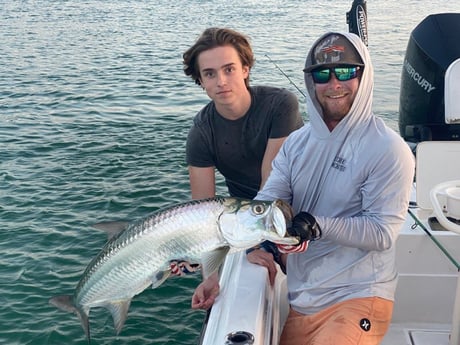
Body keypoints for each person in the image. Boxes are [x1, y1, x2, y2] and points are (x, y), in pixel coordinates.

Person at [246, 32, 415, 345]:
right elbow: (269, 201)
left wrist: (315, 225)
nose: (334, 84)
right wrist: (258, 243)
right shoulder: (296, 143)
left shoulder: (389, 149)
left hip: (359, 296)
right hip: (302, 300)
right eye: (322, 74)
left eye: (347, 72)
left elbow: (382, 232)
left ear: (364, 76)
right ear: (311, 82)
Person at [181, 27, 304, 309]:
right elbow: (203, 213)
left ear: (245, 69)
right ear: (200, 80)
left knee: (298, 266)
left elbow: (271, 185)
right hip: (249, 218)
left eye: (229, 69)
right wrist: (210, 276)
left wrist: (256, 246)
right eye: (210, 73)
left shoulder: (280, 105)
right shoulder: (201, 133)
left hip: (295, 204)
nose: (221, 81)